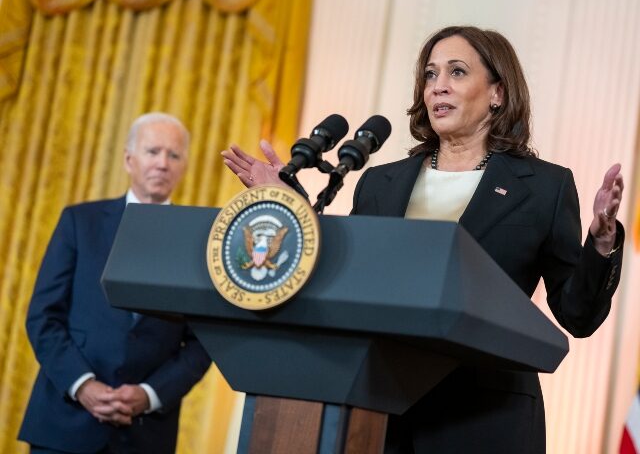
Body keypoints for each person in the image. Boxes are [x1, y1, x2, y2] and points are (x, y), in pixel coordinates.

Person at [221, 26, 625, 453]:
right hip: (382, 410)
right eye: (430, 75)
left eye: (456, 72)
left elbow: (578, 315)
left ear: (497, 94)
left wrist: (600, 240)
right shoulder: (380, 182)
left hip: (485, 417)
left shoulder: (544, 186)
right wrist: (292, 205)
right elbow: (348, 273)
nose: (438, 87)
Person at [19, 113, 212, 454]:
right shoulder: (80, 221)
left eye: (174, 155)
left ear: (184, 166)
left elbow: (202, 343)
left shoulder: (201, 243)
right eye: (153, 152)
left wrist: (150, 395)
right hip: (64, 422)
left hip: (144, 434)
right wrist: (83, 385)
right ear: (129, 159)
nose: (163, 164)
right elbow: (44, 317)